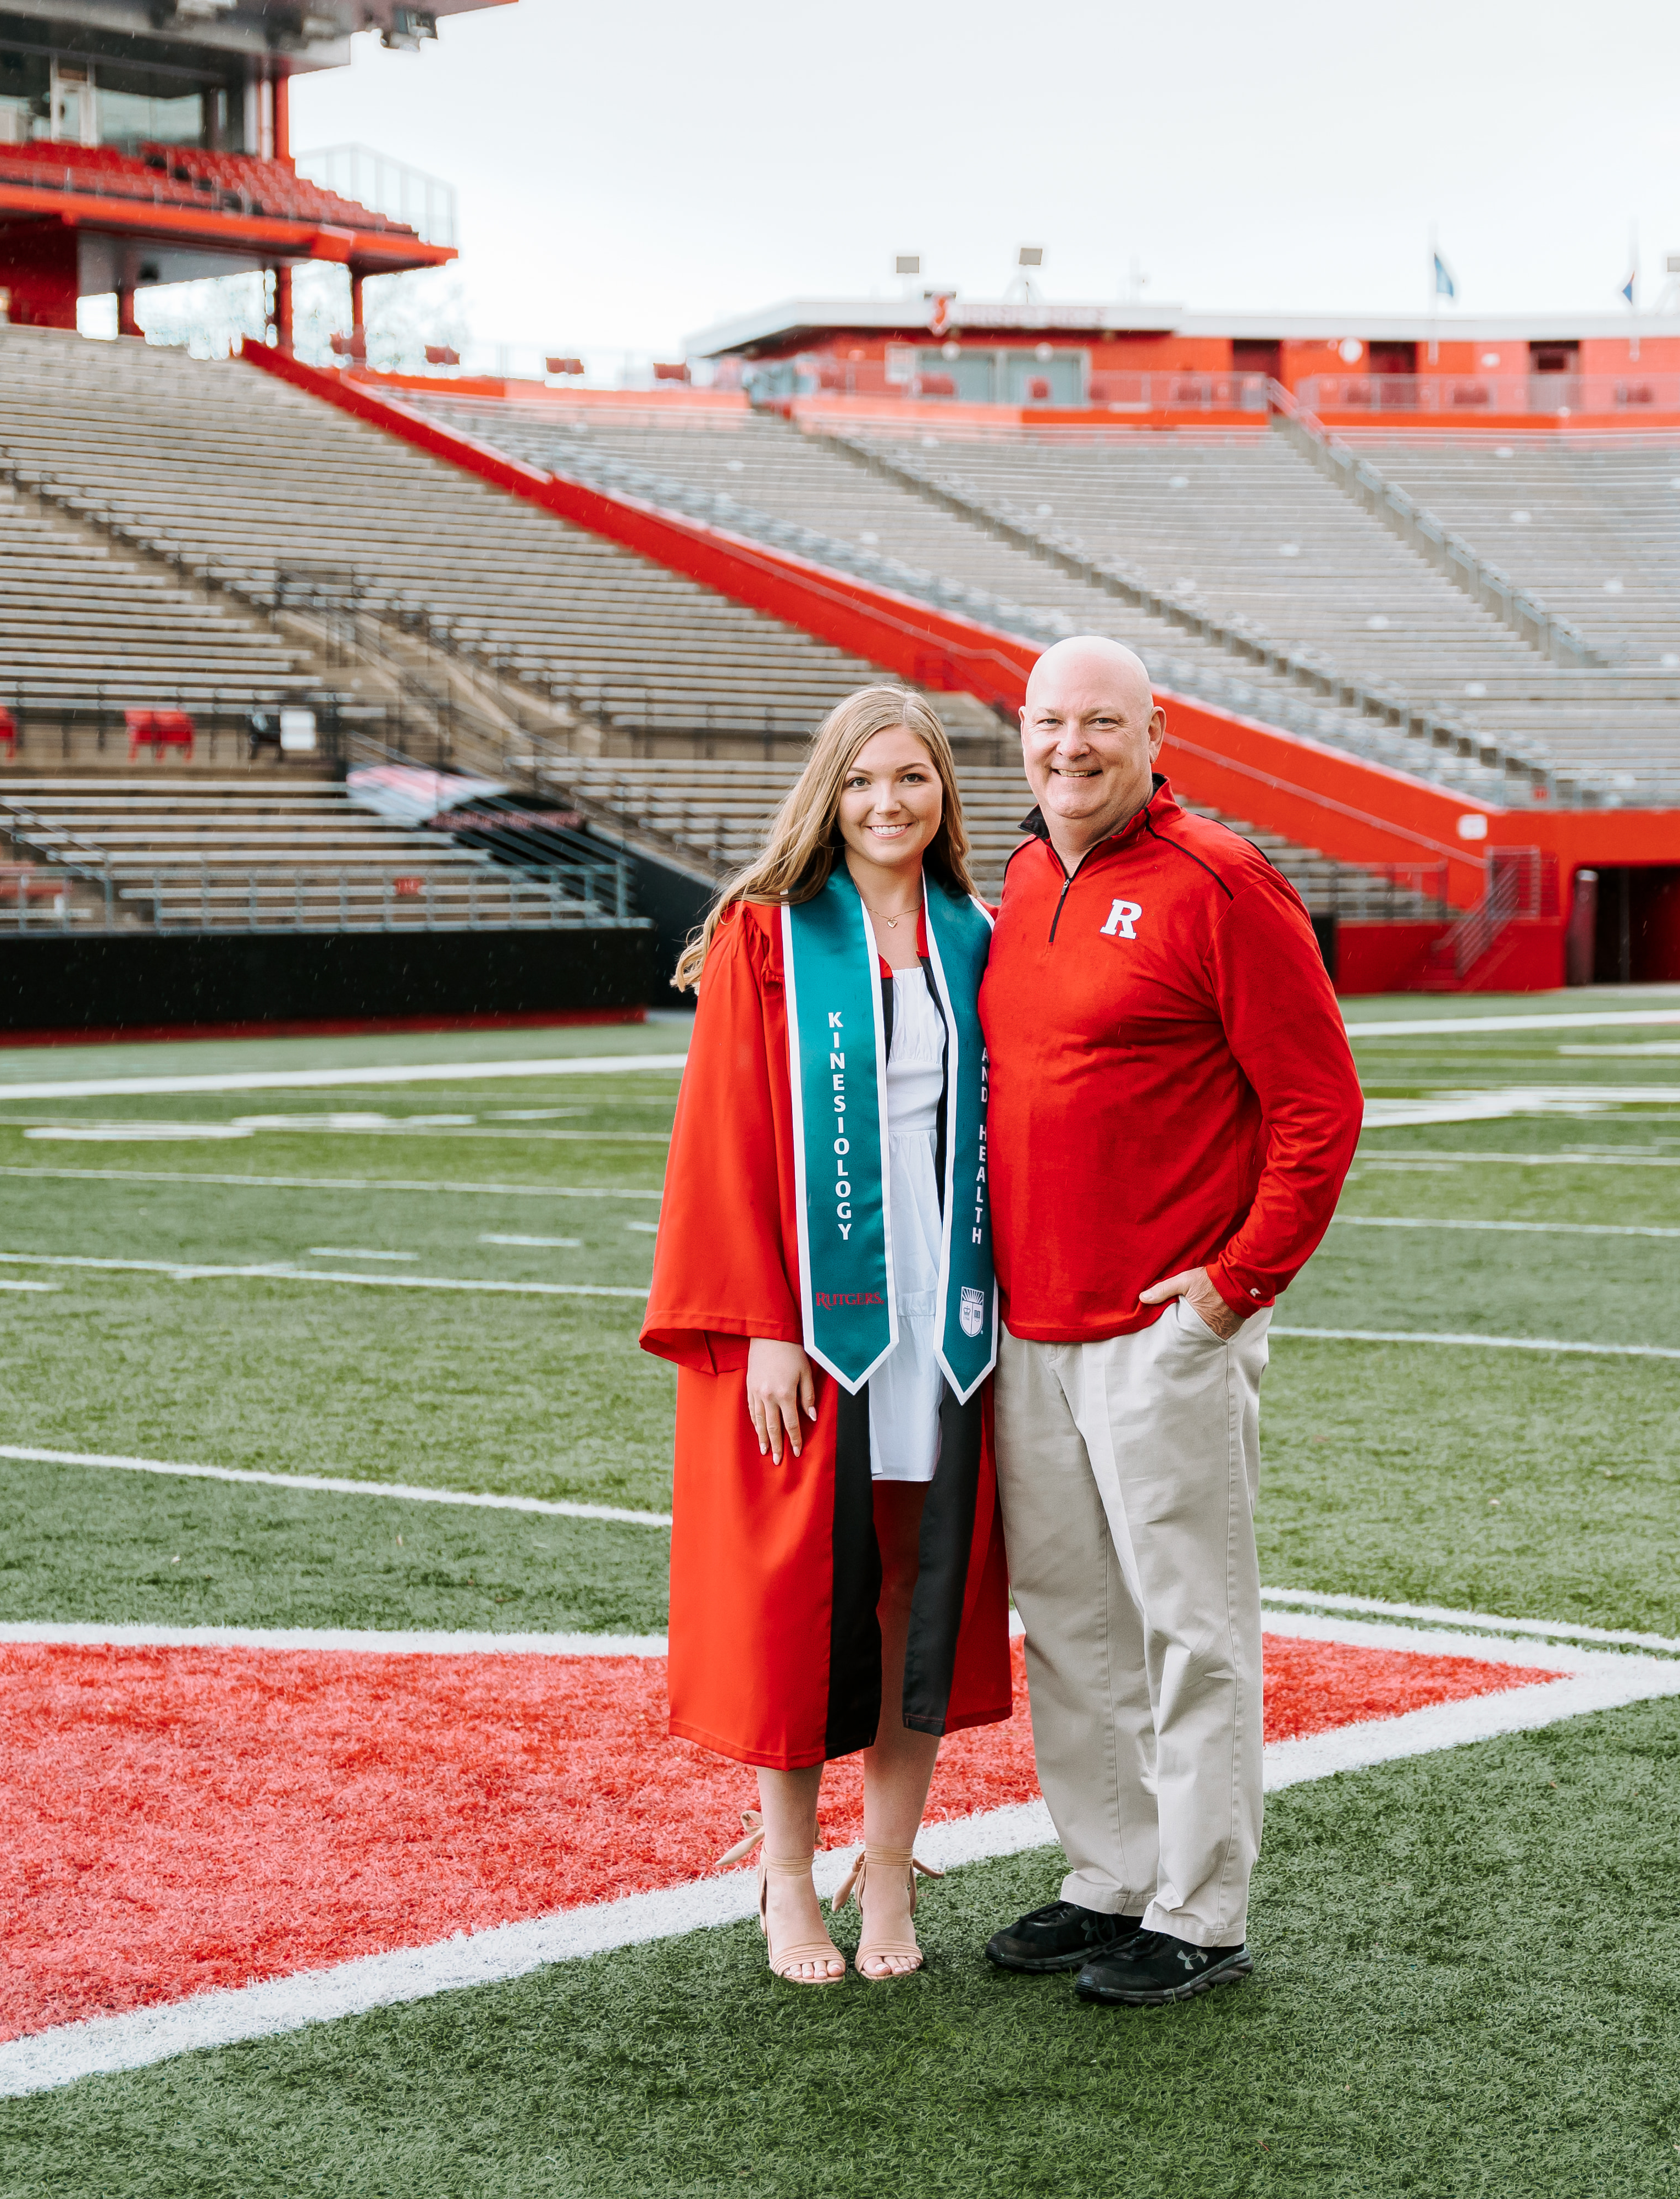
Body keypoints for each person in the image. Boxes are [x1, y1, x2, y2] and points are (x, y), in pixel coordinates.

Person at [977, 634, 1362, 2006]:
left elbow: (1320, 1107)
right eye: (1046, 721)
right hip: (1030, 1328)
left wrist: (1231, 1289)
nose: (1068, 745)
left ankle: (1201, 1906)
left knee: (1190, 1624)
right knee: (1069, 1622)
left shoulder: (1224, 879)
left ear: (1154, 732)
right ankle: (1109, 1872)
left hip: (1163, 1329)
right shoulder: (1022, 875)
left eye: (1098, 722)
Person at [640, 685, 1012, 1987]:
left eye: (912, 778)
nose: (888, 803)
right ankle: (786, 1876)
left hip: (949, 1317)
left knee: (918, 1596)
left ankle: (891, 1868)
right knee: (809, 1599)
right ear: (828, 794)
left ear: (944, 796)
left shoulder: (983, 937)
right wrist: (765, 1334)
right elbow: (727, 1143)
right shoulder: (768, 938)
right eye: (862, 782)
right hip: (818, 1320)